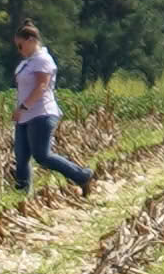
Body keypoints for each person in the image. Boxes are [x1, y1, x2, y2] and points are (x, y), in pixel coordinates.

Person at [6, 23, 99, 192]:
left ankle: (82, 176)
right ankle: (21, 193)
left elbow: (42, 86)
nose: (19, 49)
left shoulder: (43, 59)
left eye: (21, 45)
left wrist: (23, 107)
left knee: (42, 156)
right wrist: (21, 110)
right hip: (25, 116)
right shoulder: (27, 62)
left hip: (41, 114)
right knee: (21, 157)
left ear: (32, 40)